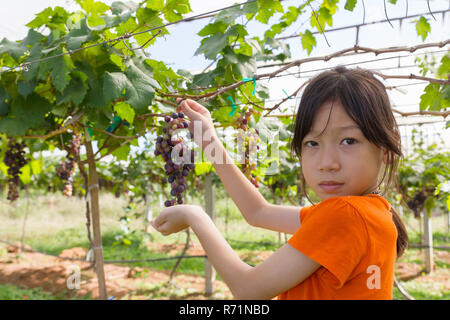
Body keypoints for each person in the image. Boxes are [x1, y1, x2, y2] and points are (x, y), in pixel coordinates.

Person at [150, 66, 409, 300]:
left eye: (348, 141)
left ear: (386, 147)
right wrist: (209, 141)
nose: (326, 162)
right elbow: (258, 212)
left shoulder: (345, 215)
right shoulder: (375, 212)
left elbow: (248, 290)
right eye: (312, 143)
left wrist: (195, 216)